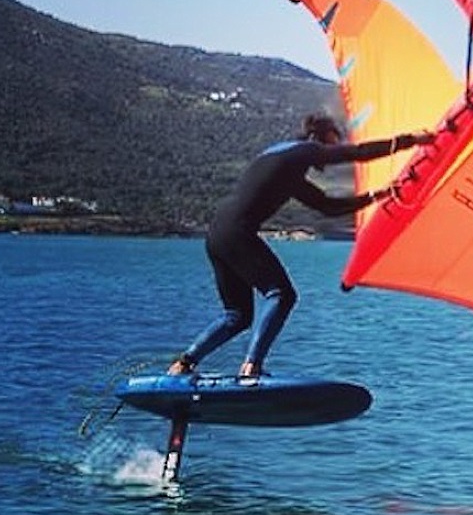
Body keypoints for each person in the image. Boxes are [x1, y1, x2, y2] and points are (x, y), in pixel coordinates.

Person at [167, 112, 433, 379]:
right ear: (318, 136)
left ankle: (183, 364)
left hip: (217, 234)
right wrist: (413, 141)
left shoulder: (282, 161)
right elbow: (358, 152)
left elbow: (327, 206)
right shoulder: (306, 150)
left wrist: (377, 195)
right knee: (282, 295)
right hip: (238, 233)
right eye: (332, 142)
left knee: (237, 315)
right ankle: (252, 367)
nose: (331, 152)